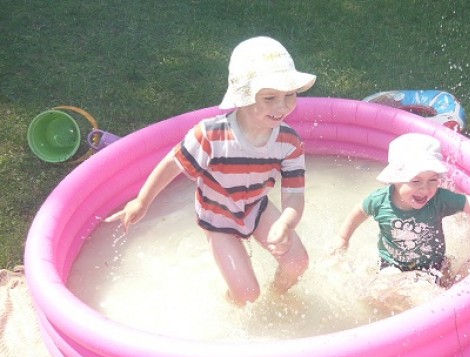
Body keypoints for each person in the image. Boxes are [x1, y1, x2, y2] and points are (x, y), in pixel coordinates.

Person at [105, 36, 316, 305]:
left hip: (255, 207)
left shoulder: (289, 141)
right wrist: (142, 201)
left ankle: (277, 297)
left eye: (290, 95)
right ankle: (230, 303)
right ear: (243, 97)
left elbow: (295, 194)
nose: (283, 106)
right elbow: (172, 164)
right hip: (218, 220)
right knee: (247, 294)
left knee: (298, 263)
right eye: (270, 97)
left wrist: (286, 223)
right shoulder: (211, 135)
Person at [332, 133, 470, 286]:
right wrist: (343, 239)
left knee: (440, 290)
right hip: (392, 263)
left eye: (433, 179)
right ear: (395, 178)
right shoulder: (379, 201)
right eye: (415, 180)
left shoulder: (440, 200)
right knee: (385, 287)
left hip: (432, 264)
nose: (425, 188)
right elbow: (358, 212)